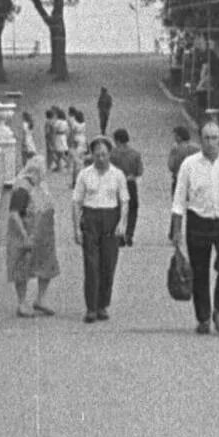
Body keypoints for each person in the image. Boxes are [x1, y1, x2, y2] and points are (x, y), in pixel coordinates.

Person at [169, 120, 219, 335]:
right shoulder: (189, 164)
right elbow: (179, 199)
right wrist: (176, 230)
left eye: (214, 138)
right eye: (206, 138)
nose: (210, 142)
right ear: (200, 139)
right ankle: (203, 317)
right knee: (200, 273)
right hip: (198, 222)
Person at [71, 135, 129, 323]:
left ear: (109, 154)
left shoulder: (117, 175)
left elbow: (124, 201)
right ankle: (91, 307)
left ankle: (103, 304)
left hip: (110, 219)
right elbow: (76, 202)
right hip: (91, 218)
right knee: (91, 265)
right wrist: (76, 229)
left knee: (108, 264)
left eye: (104, 155)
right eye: (97, 155)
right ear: (92, 155)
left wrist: (122, 223)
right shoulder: (85, 174)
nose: (101, 159)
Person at [4, 157, 58, 317]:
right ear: (36, 171)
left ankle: (40, 299)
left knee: (47, 266)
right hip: (26, 233)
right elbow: (14, 214)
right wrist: (24, 236)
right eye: (42, 172)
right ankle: (22, 303)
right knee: (22, 268)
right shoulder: (22, 188)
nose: (44, 176)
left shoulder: (40, 186)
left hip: (43, 235)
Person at [109, 128, 143, 245]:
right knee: (132, 209)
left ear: (117, 140)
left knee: (117, 210)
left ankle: (119, 234)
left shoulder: (112, 154)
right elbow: (140, 171)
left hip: (116, 184)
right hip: (130, 183)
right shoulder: (135, 154)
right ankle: (129, 233)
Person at [166, 124, 196, 191]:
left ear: (179, 137)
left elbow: (171, 166)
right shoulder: (196, 148)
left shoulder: (177, 149)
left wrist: (172, 153)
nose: (174, 138)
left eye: (175, 136)